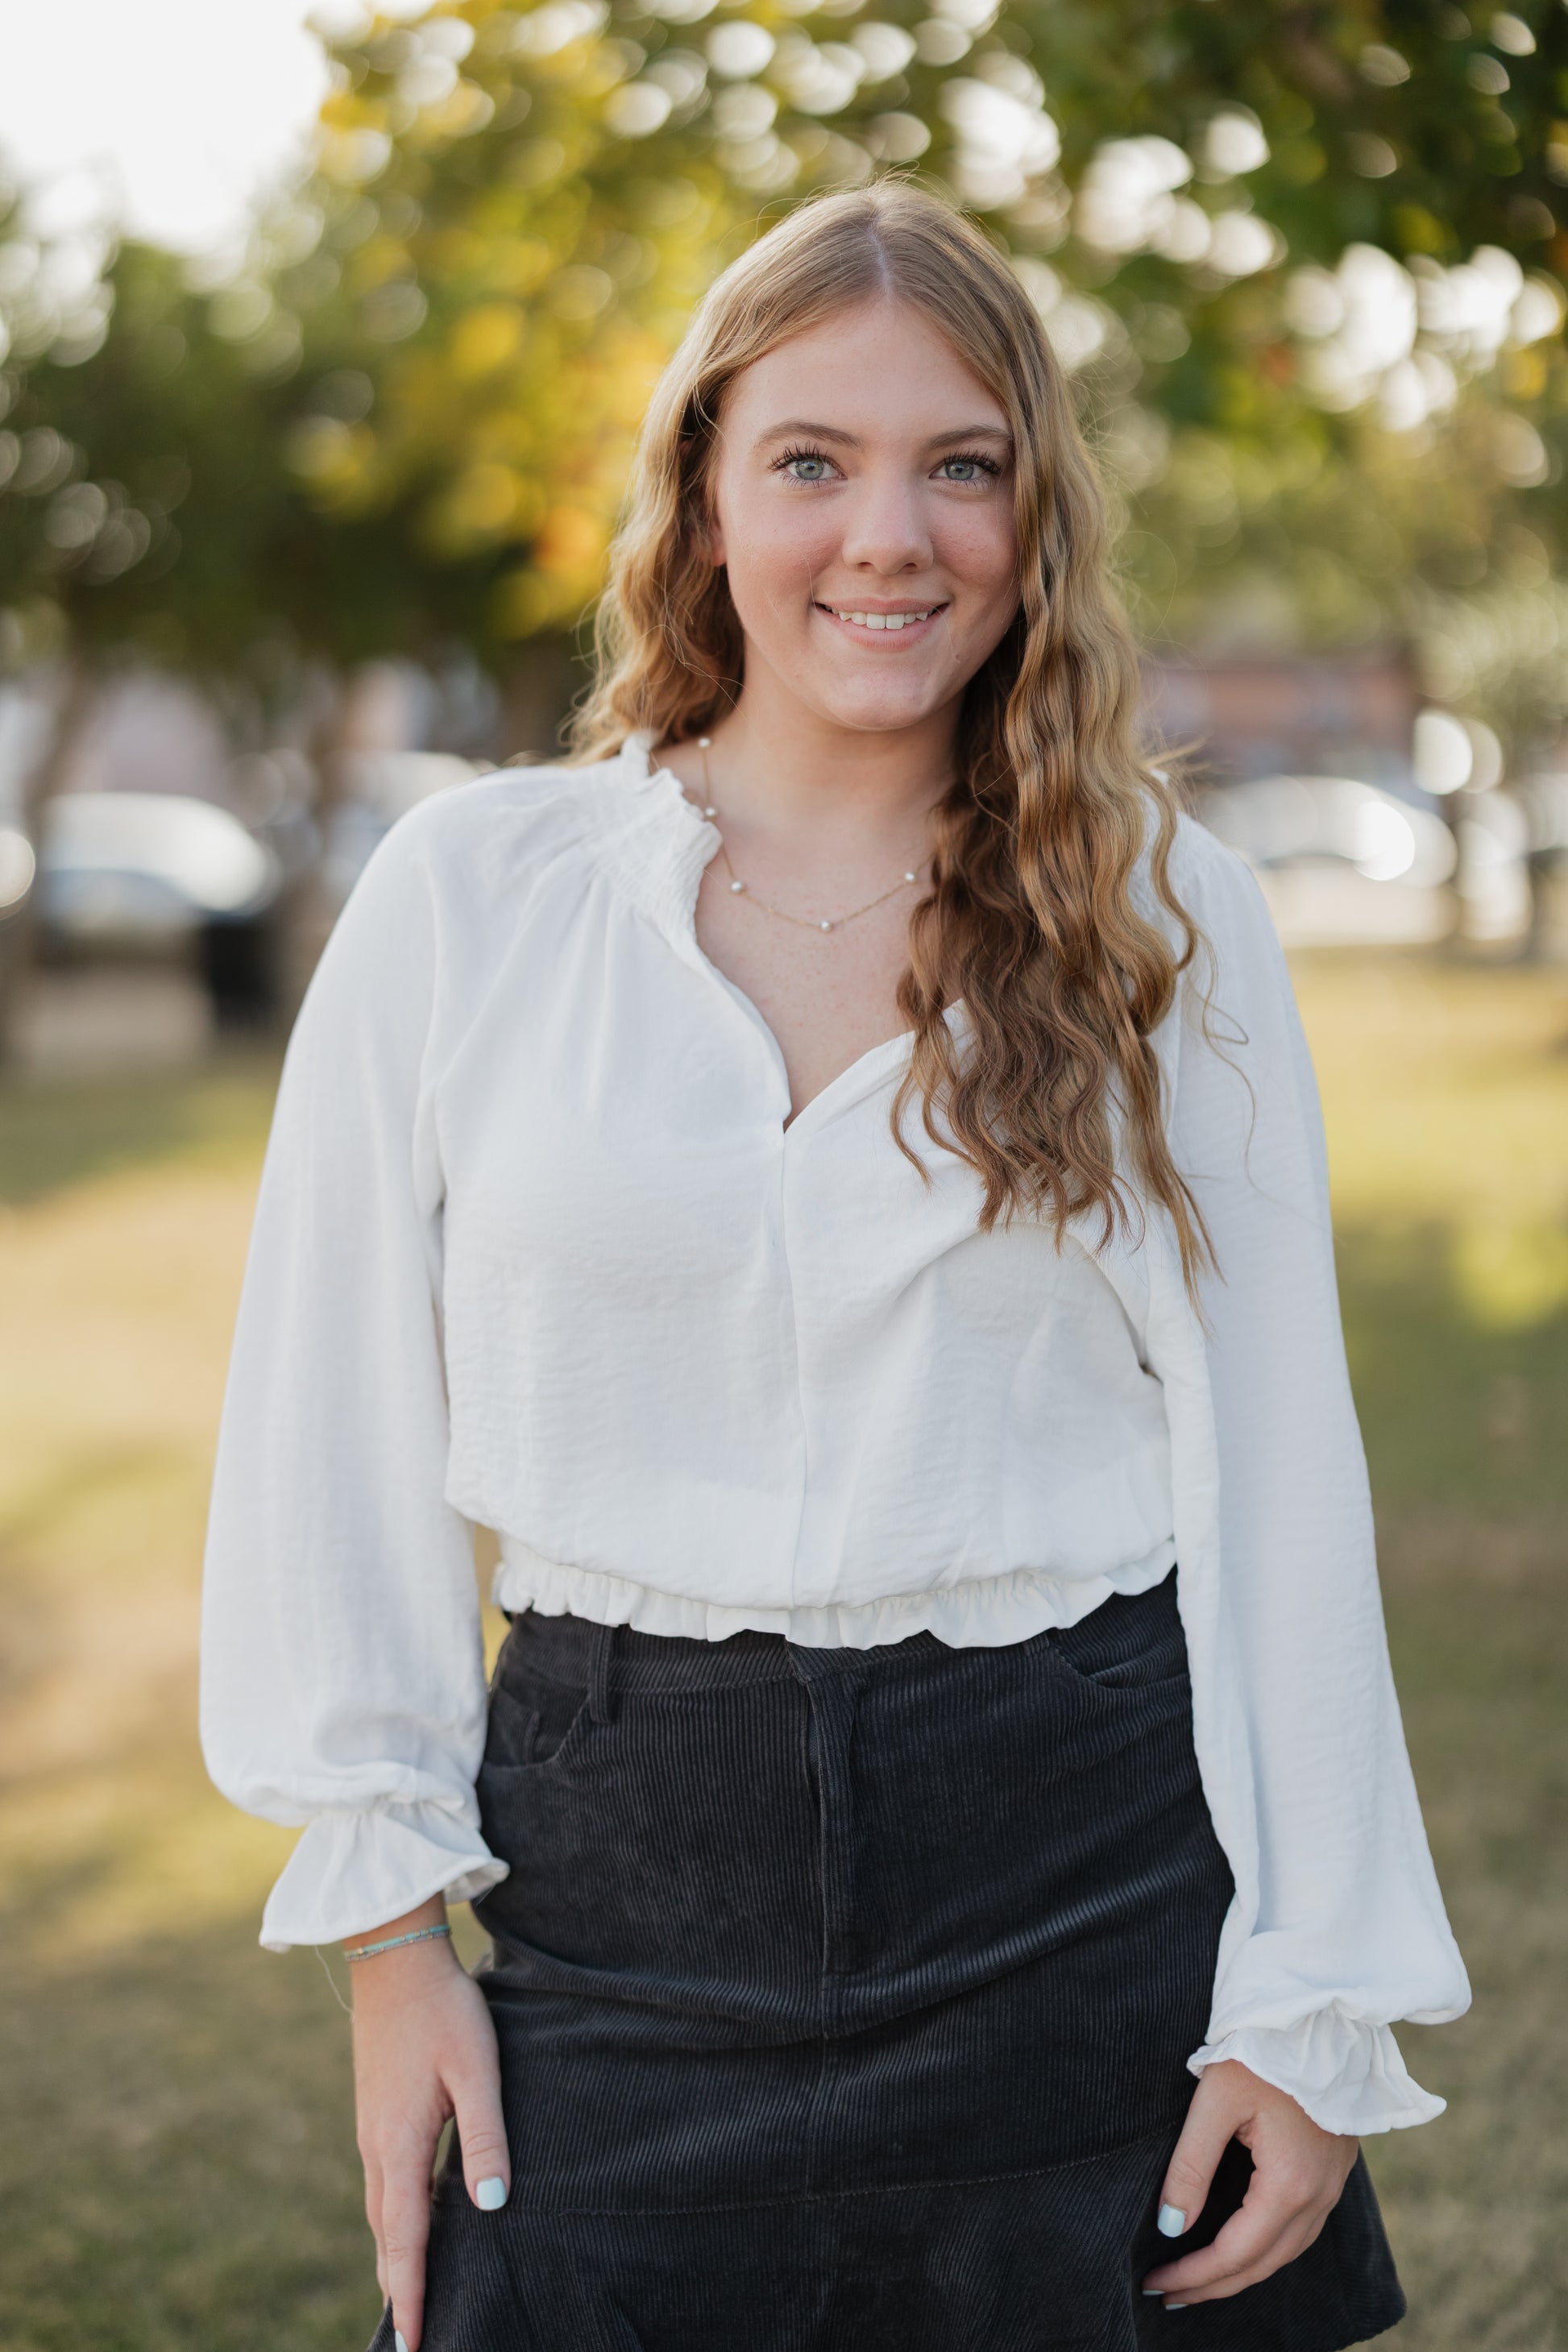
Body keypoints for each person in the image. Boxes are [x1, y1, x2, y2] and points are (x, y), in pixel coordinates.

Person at [201, 184, 1469, 2352]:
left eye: (957, 465)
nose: (888, 534)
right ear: (701, 497)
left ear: (1029, 515)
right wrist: (392, 1944)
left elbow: (1275, 1487)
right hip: (618, 1880)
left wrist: (1309, 1992)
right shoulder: (476, 897)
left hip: (1079, 1880)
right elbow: (330, 1430)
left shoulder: (1163, 917)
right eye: (809, 461)